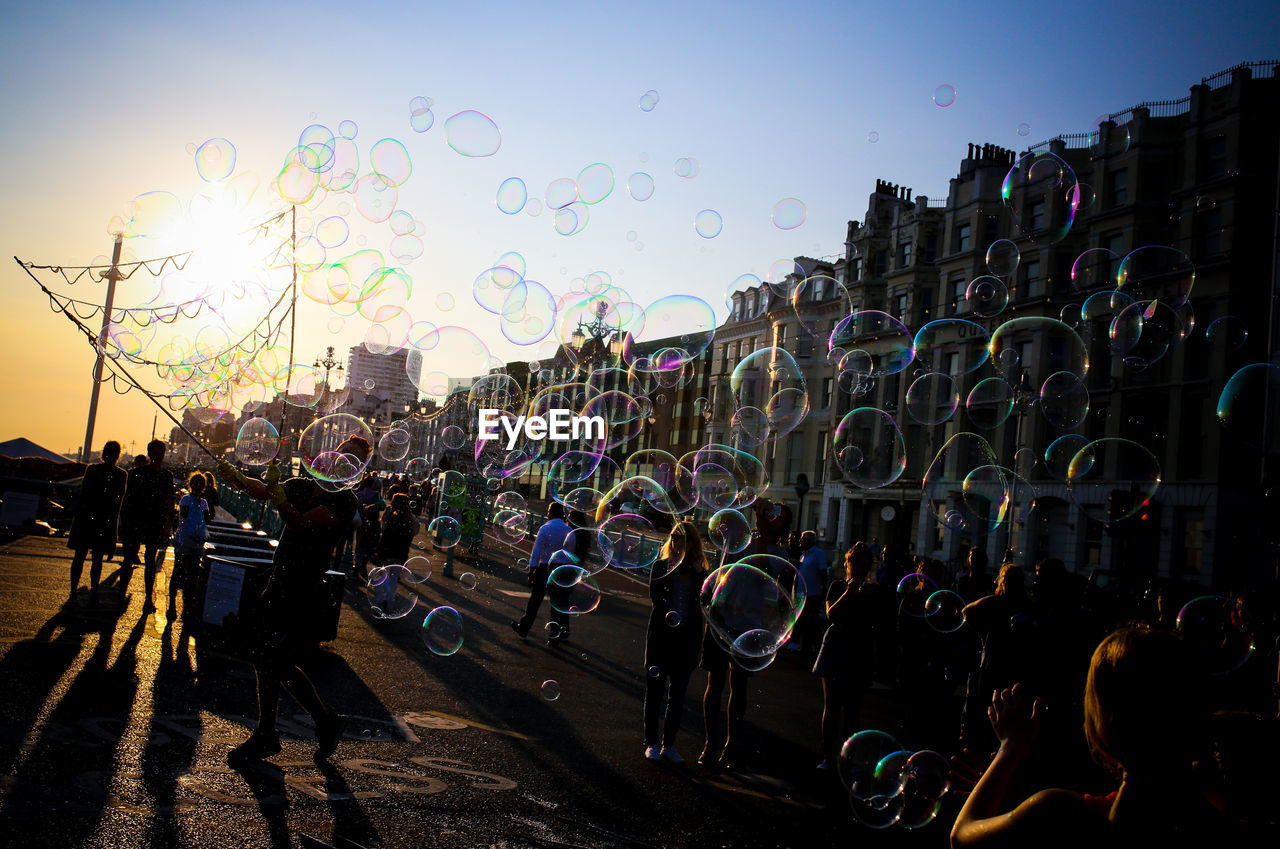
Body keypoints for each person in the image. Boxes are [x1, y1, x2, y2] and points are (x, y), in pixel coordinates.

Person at [950, 627, 1231, 848]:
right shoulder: (1226, 814)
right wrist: (1014, 802)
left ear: (1102, 725)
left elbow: (962, 836)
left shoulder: (1058, 813)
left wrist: (1008, 750)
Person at [216, 435, 369, 765]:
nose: (345, 460)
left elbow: (299, 523)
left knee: (275, 659)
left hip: (304, 591)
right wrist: (239, 479)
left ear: (358, 471)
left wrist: (281, 497)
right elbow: (265, 491)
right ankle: (311, 724)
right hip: (279, 582)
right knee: (266, 658)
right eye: (343, 453)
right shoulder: (303, 485)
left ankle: (273, 733)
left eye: (354, 459)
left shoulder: (345, 503)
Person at [700, 498, 792, 769]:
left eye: (777, 514)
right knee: (714, 684)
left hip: (749, 626)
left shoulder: (781, 557)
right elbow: (723, 569)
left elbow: (763, 572)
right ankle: (710, 742)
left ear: (784, 525)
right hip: (721, 617)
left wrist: (761, 525)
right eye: (769, 510)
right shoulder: (741, 540)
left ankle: (732, 744)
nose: (770, 514)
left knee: (738, 688)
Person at [643, 520, 708, 764]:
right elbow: (655, 597)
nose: (677, 541)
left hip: (686, 641)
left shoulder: (700, 572)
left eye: (682, 538)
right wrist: (673, 615)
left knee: (678, 695)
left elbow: (705, 602)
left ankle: (669, 744)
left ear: (692, 543)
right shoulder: (660, 567)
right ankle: (651, 743)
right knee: (655, 692)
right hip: (662, 637)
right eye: (674, 537)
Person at [813, 542, 878, 769]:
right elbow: (832, 614)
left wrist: (869, 597)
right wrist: (849, 594)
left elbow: (877, 622)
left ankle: (848, 757)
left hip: (859, 649)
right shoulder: (839, 586)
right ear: (847, 564)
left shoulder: (873, 591)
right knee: (831, 705)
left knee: (853, 709)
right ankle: (828, 756)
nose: (858, 569)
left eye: (863, 565)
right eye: (854, 563)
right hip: (836, 646)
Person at [961, 563, 1033, 751]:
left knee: (991, 711)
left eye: (1013, 581)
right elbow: (967, 612)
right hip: (997, 667)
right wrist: (982, 632)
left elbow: (967, 612)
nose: (1010, 585)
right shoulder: (1000, 603)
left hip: (1002, 668)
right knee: (989, 712)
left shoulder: (1006, 603)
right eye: (1008, 581)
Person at [66, 440, 128, 606]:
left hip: (88, 517)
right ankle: (92, 591)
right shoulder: (121, 475)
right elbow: (117, 504)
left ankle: (75, 591)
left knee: (81, 556)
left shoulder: (93, 470)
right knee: (96, 559)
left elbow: (85, 494)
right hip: (102, 519)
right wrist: (113, 531)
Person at [116, 439, 175, 612]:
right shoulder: (136, 474)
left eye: (160, 453)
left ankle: (148, 599)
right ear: (150, 454)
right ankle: (122, 594)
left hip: (154, 522)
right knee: (129, 559)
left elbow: (169, 502)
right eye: (155, 453)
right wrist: (123, 522)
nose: (158, 456)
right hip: (135, 521)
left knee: (150, 562)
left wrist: (166, 525)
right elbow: (127, 499)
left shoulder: (165, 476)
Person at [511, 502, 572, 643]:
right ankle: (556, 633)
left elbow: (537, 551)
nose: (547, 513)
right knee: (558, 601)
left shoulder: (545, 528)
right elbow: (571, 553)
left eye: (549, 511)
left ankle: (524, 628)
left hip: (545, 567)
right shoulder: (569, 530)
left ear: (552, 513)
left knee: (536, 599)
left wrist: (532, 569)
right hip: (562, 568)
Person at [171, 472, 211, 617]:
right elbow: (187, 518)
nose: (199, 486)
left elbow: (206, 519)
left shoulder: (203, 502)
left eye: (201, 484)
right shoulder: (186, 499)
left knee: (192, 576)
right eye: (196, 483)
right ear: (191, 484)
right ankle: (172, 604)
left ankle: (187, 606)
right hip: (184, 541)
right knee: (178, 572)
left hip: (197, 544)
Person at [793, 531, 828, 655]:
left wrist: (823, 590)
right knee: (802, 621)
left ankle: (813, 649)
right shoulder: (803, 554)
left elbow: (823, 573)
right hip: (801, 594)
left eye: (802, 539)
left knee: (811, 623)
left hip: (813, 594)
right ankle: (804, 647)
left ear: (809, 541)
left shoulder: (818, 554)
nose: (800, 541)